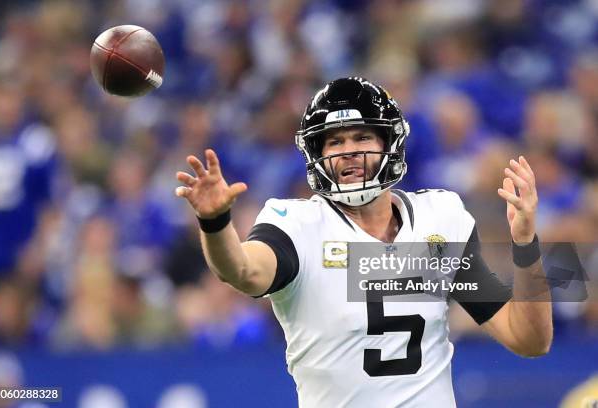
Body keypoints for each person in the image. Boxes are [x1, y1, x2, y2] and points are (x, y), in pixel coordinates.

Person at [175, 77, 553, 407]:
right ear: (318, 155)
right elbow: (241, 269)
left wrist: (525, 244)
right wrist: (214, 220)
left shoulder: (441, 218)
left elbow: (530, 340)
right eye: (334, 142)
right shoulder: (298, 225)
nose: (349, 151)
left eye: (361, 137)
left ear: (389, 142)